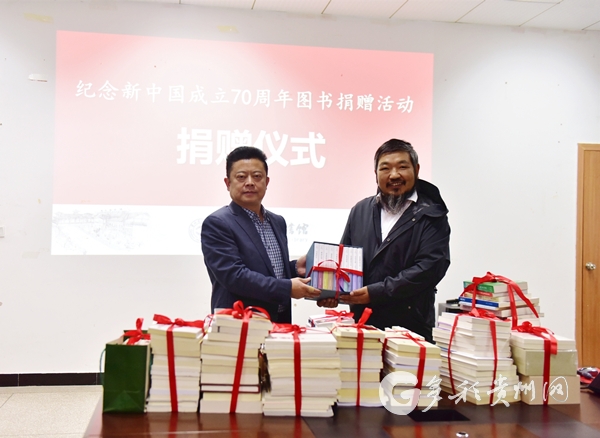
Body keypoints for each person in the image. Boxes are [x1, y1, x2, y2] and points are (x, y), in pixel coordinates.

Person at [320, 139, 450, 342]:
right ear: (376, 174)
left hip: (410, 329)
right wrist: (332, 292)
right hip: (362, 325)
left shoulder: (432, 214)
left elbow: (430, 268)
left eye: (402, 167)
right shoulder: (360, 210)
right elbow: (345, 260)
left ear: (416, 170)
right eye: (385, 168)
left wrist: (376, 292)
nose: (394, 175)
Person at [201, 146, 320, 323]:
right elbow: (235, 276)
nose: (250, 182)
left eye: (257, 176)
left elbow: (268, 269)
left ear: (267, 181)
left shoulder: (277, 221)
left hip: (280, 322)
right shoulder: (218, 223)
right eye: (241, 177)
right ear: (228, 183)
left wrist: (296, 268)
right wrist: (287, 288)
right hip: (240, 324)